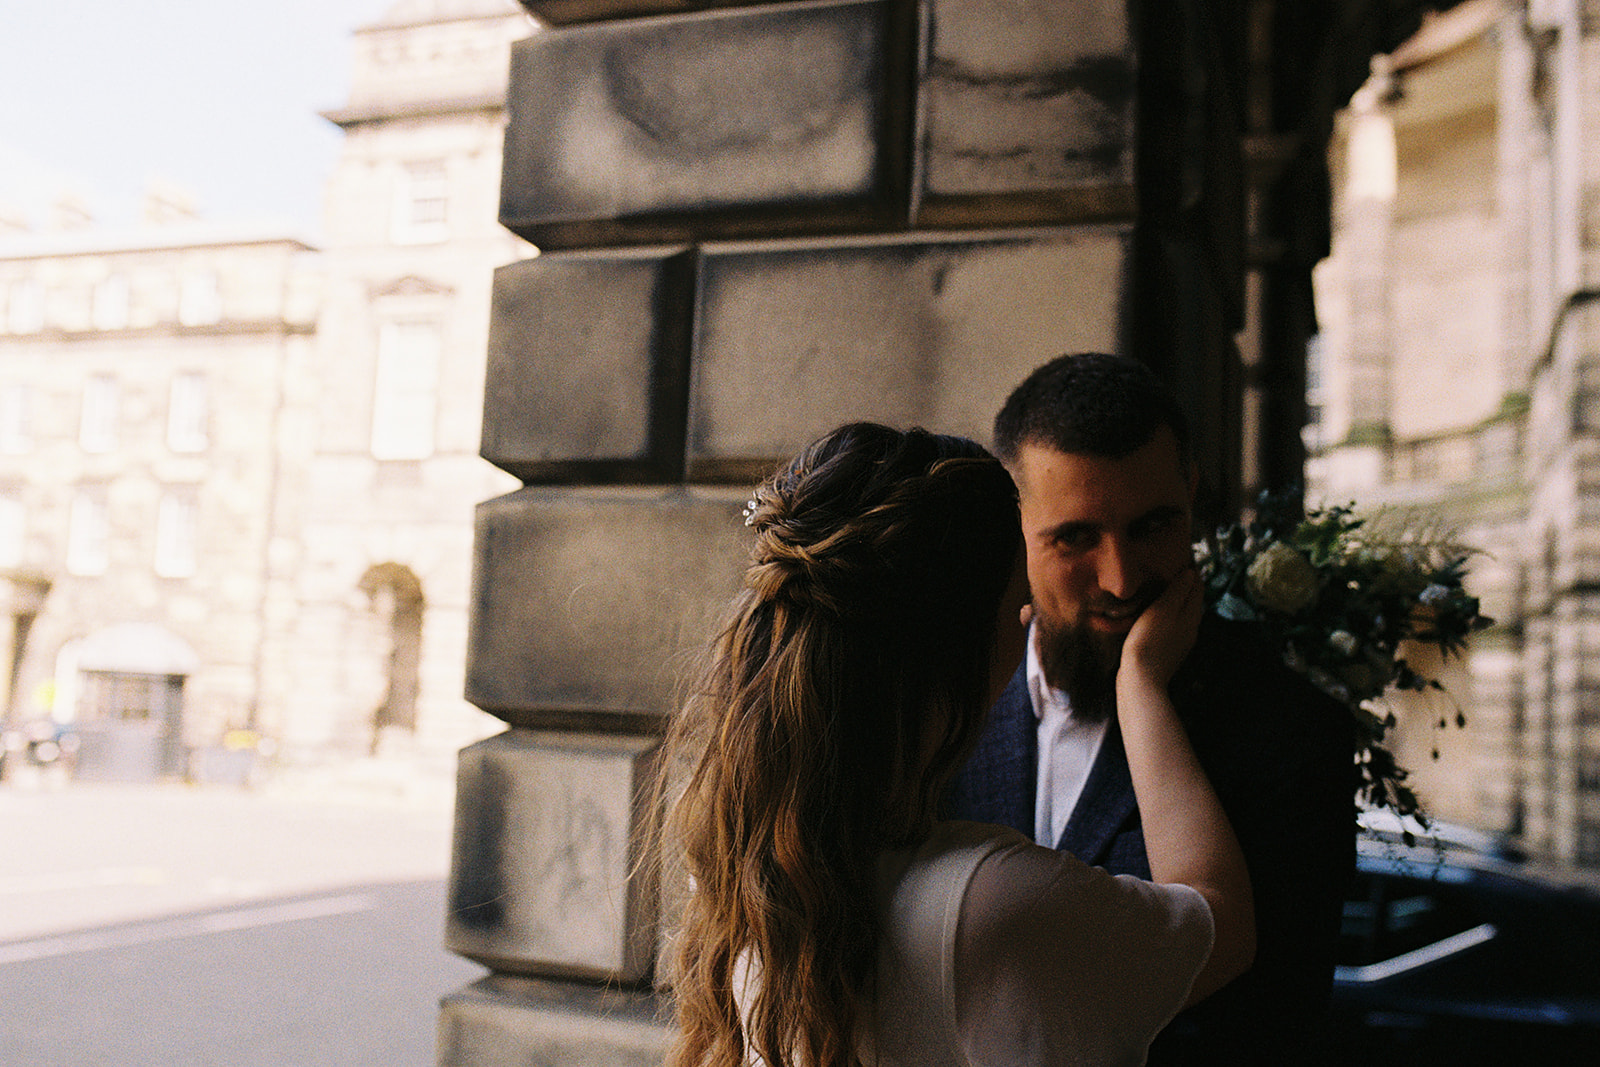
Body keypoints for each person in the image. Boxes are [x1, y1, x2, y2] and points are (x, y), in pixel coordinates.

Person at [661, 421, 1255, 1067]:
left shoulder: (732, 851)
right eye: (1016, 605)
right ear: (959, 647)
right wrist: (1141, 683)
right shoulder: (989, 901)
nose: (1028, 620)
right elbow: (1219, 924)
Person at [946, 353, 1355, 1066]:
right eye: (1075, 536)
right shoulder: (943, 705)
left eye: (1153, 525)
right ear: (1014, 524)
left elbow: (1275, 1018)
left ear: (1192, 496)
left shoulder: (1291, 729)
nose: (1121, 576)